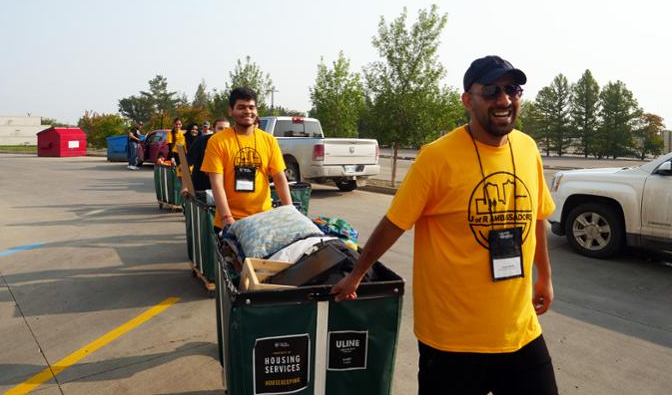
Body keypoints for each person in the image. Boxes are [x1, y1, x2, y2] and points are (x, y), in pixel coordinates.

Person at [331, 55, 558, 395]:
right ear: (468, 100)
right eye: (492, 91)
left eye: (513, 89)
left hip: (519, 330)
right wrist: (357, 273)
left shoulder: (527, 149)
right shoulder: (436, 157)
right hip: (453, 340)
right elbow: (394, 223)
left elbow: (537, 215)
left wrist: (546, 278)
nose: (505, 100)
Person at [201, 87, 292, 229]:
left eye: (251, 107)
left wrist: (290, 211)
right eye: (241, 107)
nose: (248, 111)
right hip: (231, 221)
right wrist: (227, 217)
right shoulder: (217, 141)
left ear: (256, 111)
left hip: (263, 220)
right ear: (230, 111)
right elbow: (216, 182)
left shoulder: (269, 140)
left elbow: (280, 178)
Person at [184, 118, 231, 194]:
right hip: (202, 186)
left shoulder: (231, 143)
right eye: (220, 128)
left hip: (224, 186)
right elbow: (186, 163)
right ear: (213, 129)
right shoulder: (201, 141)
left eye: (226, 129)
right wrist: (186, 186)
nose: (223, 131)